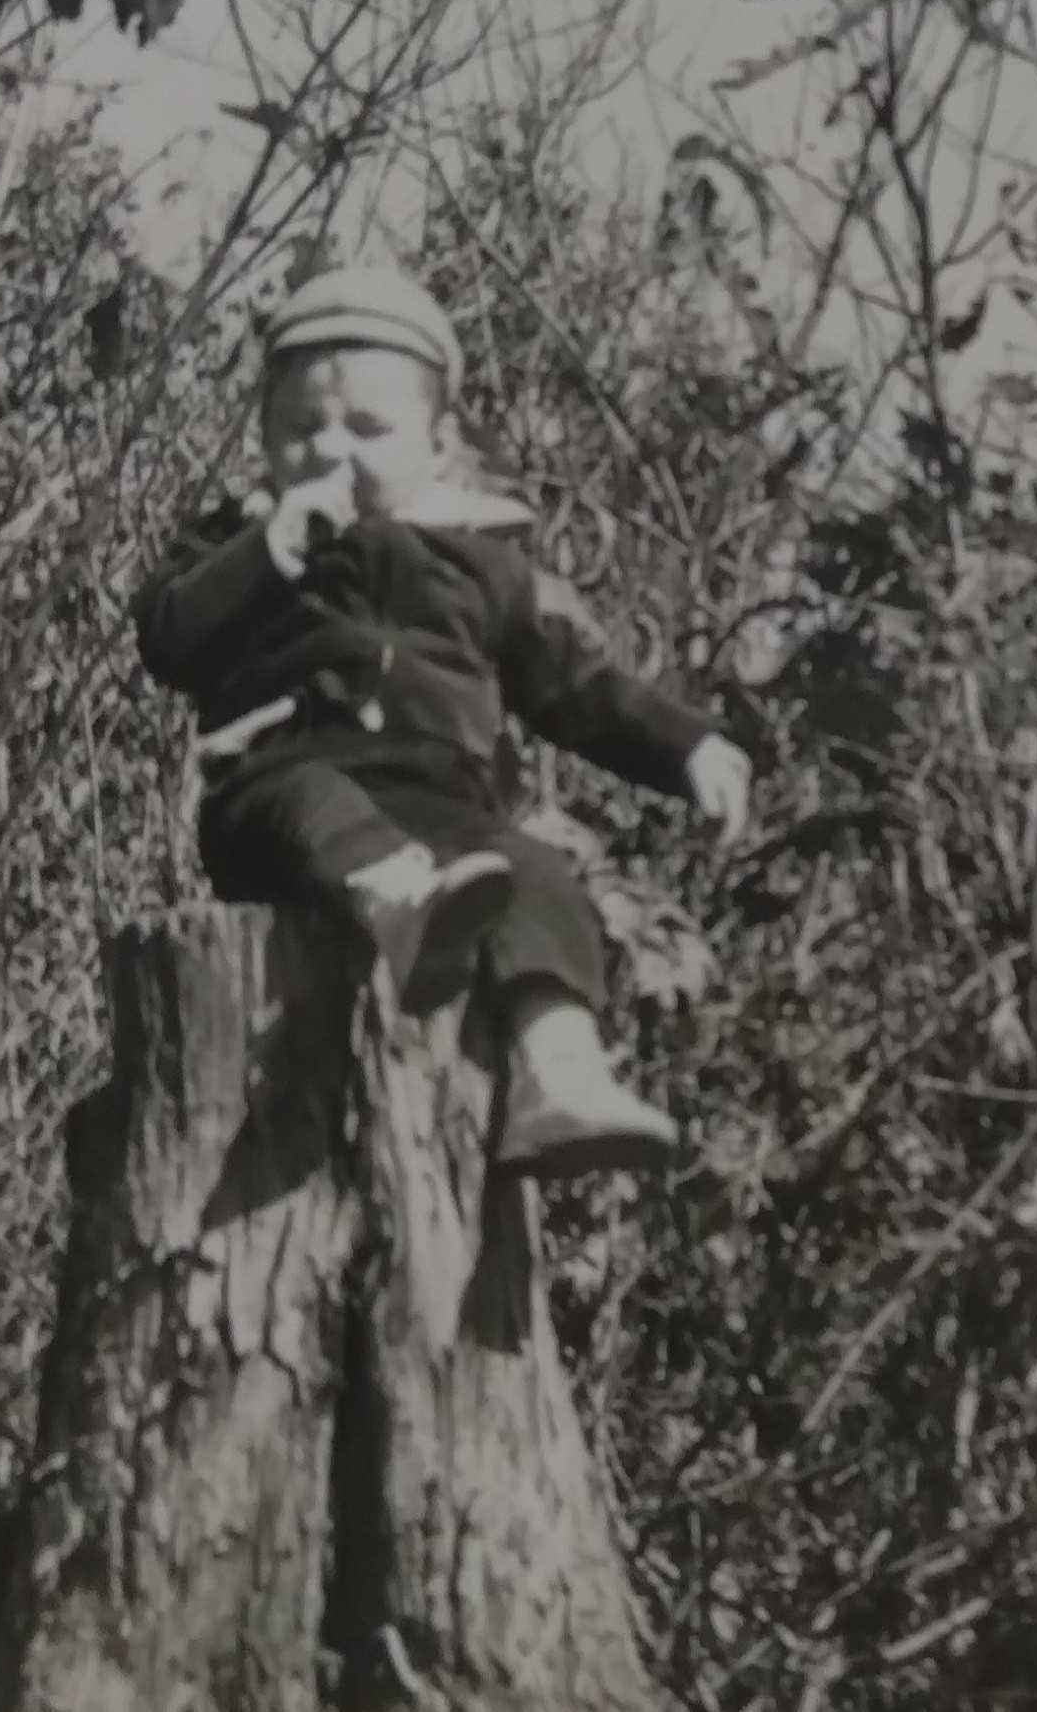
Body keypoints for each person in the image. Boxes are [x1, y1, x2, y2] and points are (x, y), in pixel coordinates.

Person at [133, 265, 761, 1181]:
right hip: (278, 789)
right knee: (313, 794)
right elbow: (170, 638)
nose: (329, 451)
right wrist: (266, 551)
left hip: (445, 807)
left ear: (439, 443)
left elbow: (576, 687)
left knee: (538, 875)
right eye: (300, 428)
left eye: (368, 427)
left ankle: (560, 1071)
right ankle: (395, 897)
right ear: (263, 438)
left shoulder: (481, 567)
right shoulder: (243, 540)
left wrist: (686, 742)